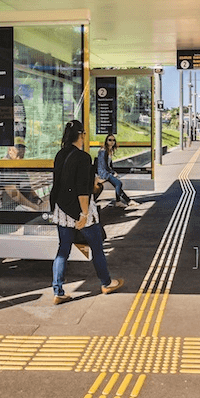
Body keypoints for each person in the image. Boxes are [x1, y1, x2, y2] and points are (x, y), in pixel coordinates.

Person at [49, 120, 124, 304]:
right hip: (81, 210)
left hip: (61, 209)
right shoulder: (82, 158)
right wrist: (83, 214)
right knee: (97, 247)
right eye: (84, 134)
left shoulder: (60, 155)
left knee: (62, 250)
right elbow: (82, 190)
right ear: (81, 135)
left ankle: (58, 291)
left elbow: (61, 183)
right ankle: (106, 283)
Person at [0, 137, 44, 211]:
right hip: (10, 208)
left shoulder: (16, 166)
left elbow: (27, 187)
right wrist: (34, 207)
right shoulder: (4, 168)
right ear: (10, 150)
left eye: (22, 156)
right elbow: (14, 195)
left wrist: (38, 200)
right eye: (18, 155)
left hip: (22, 204)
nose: (19, 159)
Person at [97, 134, 135, 208]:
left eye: (113, 140)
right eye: (110, 140)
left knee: (117, 184)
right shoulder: (103, 151)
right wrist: (112, 173)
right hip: (103, 172)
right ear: (106, 141)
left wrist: (113, 172)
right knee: (118, 183)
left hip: (106, 171)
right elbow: (104, 165)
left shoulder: (110, 151)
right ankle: (119, 201)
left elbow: (109, 165)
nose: (112, 142)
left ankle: (128, 201)